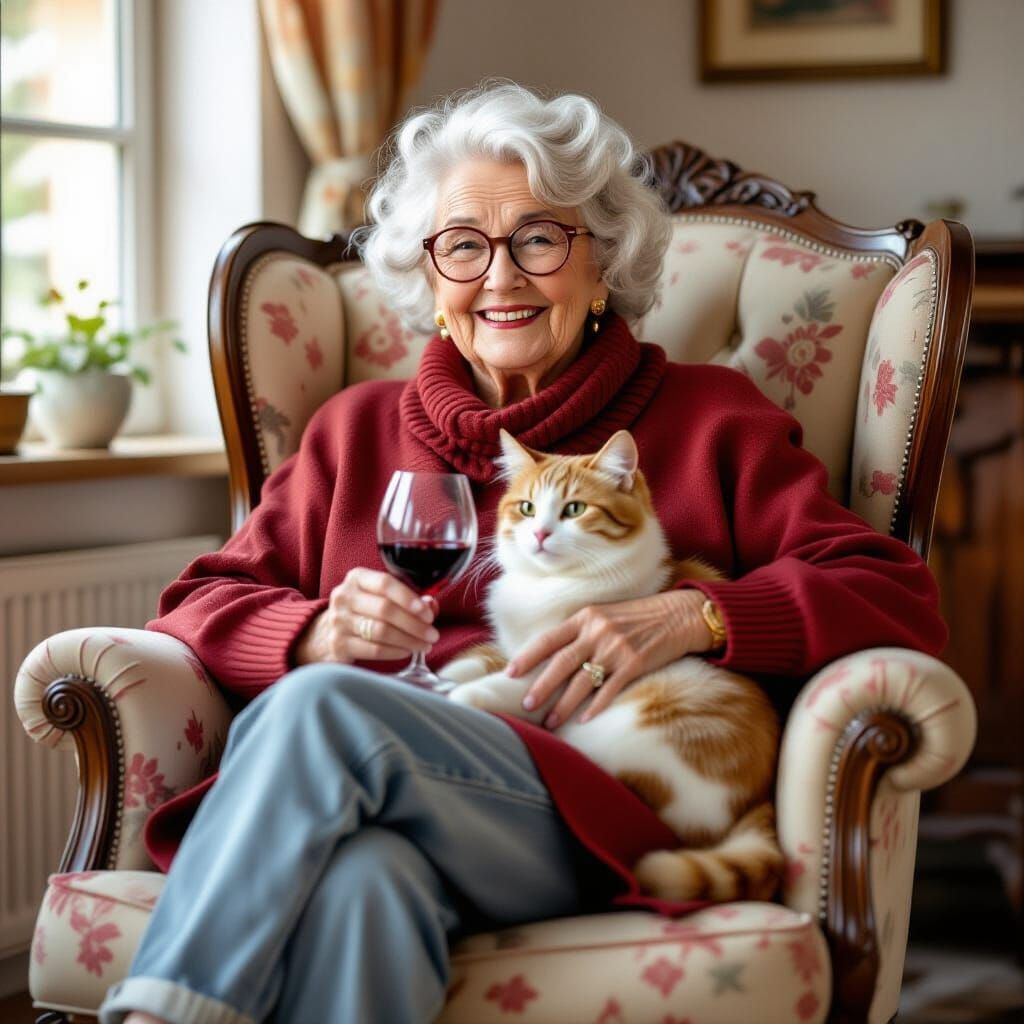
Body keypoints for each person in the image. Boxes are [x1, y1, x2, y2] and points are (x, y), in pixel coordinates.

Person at [99, 83, 945, 1024]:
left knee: (325, 711)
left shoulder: (714, 420)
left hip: (587, 811)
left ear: (603, 266)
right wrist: (307, 636)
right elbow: (196, 604)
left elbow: (894, 594)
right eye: (462, 245)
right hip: (383, 811)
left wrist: (696, 615)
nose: (499, 277)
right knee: (364, 879)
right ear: (429, 276)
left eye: (540, 239)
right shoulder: (354, 431)